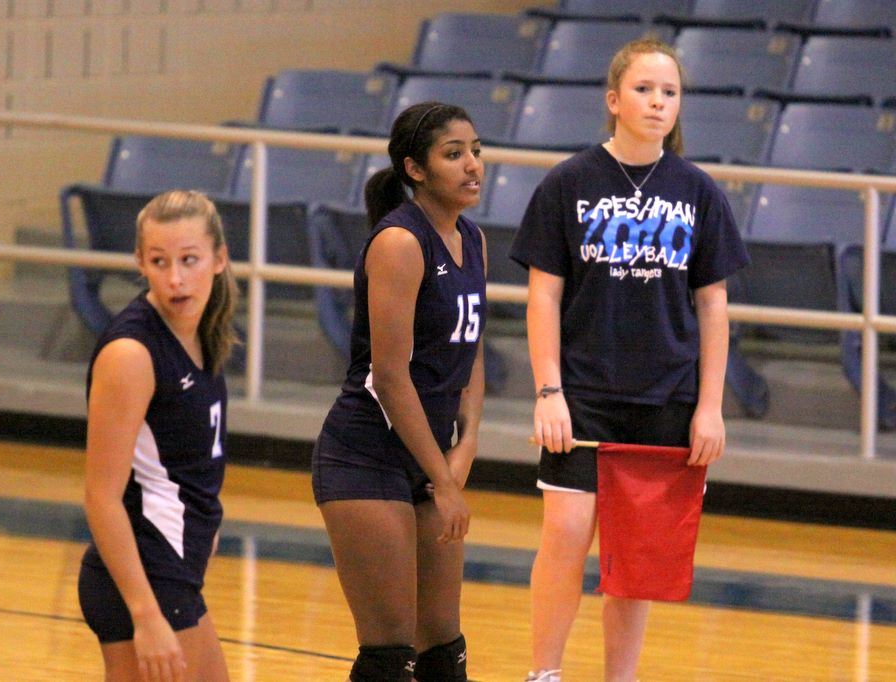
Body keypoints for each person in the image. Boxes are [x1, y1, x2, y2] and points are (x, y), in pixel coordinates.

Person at [509, 39, 750, 682]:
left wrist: (709, 407)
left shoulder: (698, 191)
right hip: (583, 394)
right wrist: (548, 392)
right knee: (565, 534)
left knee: (635, 559)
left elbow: (713, 307)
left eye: (669, 92)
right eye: (644, 89)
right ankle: (544, 674)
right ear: (614, 100)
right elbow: (543, 296)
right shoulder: (568, 183)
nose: (657, 102)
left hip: (667, 399)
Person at [311, 101, 488, 682]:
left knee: (443, 649)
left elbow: (471, 348)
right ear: (415, 169)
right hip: (366, 456)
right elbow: (390, 377)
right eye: (454, 154)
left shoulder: (472, 239)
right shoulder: (400, 242)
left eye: (476, 151)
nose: (473, 165)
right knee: (391, 652)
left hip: (428, 456)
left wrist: (466, 444)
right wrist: (444, 480)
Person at [77, 189, 238, 682]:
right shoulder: (131, 353)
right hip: (146, 578)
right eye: (159, 261)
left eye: (189, 260)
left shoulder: (203, 332)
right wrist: (146, 616)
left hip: (174, 572)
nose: (175, 279)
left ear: (218, 259)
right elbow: (101, 496)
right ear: (140, 264)